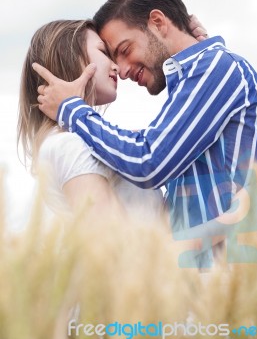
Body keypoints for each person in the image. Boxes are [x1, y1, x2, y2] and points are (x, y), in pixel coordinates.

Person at [32, 0, 257, 268]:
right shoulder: (202, 77)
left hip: (228, 283)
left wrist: (71, 109)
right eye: (110, 56)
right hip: (197, 287)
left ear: (158, 22)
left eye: (124, 49)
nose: (120, 69)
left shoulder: (217, 69)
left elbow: (149, 159)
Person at [17, 19, 165, 227]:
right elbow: (109, 248)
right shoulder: (68, 146)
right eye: (104, 52)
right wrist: (212, 231)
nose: (117, 67)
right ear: (71, 58)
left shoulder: (107, 143)